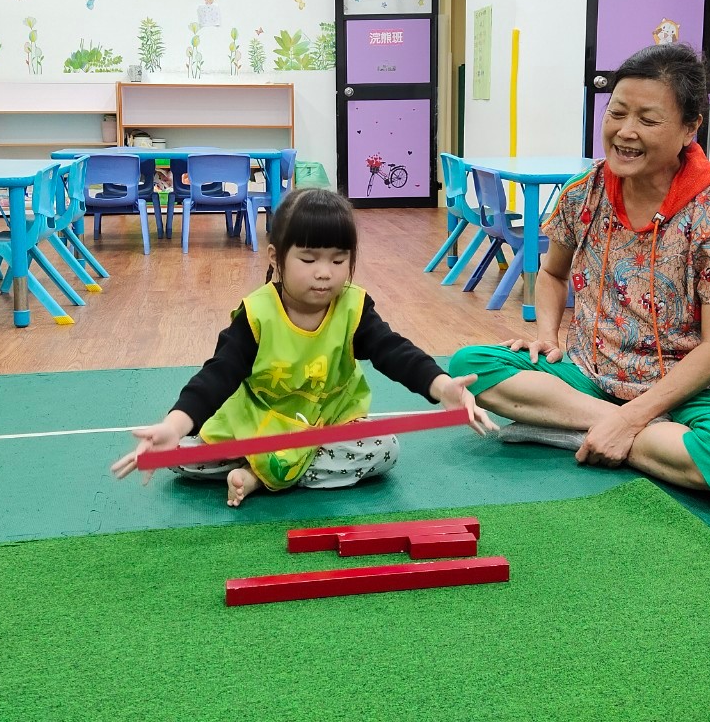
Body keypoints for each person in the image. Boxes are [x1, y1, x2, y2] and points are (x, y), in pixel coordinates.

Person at [449, 43, 710, 495]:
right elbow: (551, 274)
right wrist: (547, 337)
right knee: (471, 367)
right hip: (592, 376)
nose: (625, 131)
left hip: (692, 392)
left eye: (648, 120)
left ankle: (579, 427)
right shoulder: (584, 191)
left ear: (690, 128)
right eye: (617, 113)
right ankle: (636, 436)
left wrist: (631, 419)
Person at [111, 188, 495, 506]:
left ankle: (260, 475)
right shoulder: (257, 314)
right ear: (276, 257)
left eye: (338, 260)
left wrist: (442, 385)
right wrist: (174, 426)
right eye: (309, 259)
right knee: (180, 459)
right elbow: (217, 375)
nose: (324, 272)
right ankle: (276, 467)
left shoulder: (353, 307)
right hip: (260, 422)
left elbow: (394, 351)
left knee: (384, 450)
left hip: (324, 425)